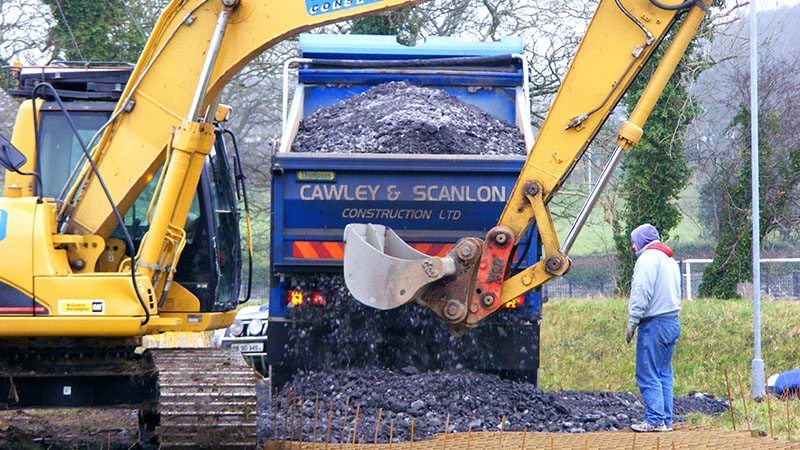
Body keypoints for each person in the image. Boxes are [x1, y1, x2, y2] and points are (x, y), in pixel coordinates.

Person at [625, 223, 681, 433]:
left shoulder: (648, 259)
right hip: (672, 321)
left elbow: (641, 291)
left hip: (654, 324)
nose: (632, 246)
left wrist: (633, 320)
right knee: (663, 373)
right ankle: (666, 419)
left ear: (642, 241)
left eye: (634, 241)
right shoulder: (669, 260)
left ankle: (655, 420)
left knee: (647, 373)